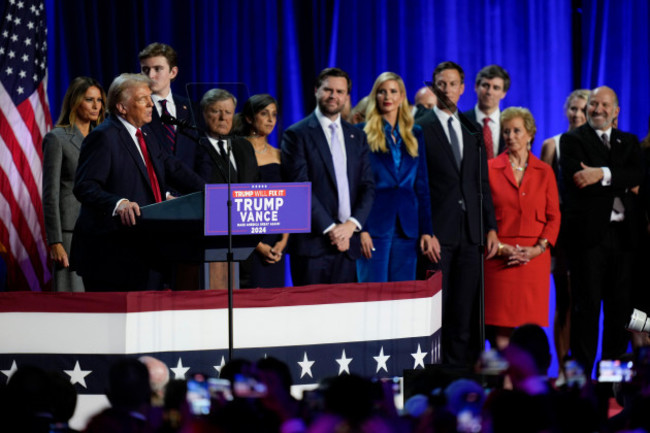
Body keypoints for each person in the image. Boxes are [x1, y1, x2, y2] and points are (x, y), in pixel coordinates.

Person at [72, 73, 206, 292]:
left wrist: (212, 193)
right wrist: (119, 203)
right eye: (142, 98)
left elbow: (174, 169)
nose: (150, 103)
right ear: (122, 107)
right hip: (111, 254)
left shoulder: (147, 135)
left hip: (146, 249)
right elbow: (85, 186)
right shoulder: (104, 137)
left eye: (150, 97)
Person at [416, 61, 498, 366]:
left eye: (452, 84)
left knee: (464, 311)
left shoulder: (472, 128)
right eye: (441, 83)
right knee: (437, 309)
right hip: (439, 233)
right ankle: (433, 377)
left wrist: (490, 227)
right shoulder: (420, 127)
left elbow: (481, 183)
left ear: (463, 89)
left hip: (471, 233)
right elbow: (419, 185)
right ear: (434, 86)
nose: (447, 89)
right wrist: (426, 229)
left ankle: (459, 374)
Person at [560, 86, 644, 376]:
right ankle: (581, 386)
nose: (597, 109)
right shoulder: (572, 141)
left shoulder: (629, 141)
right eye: (593, 104)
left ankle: (613, 384)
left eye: (605, 105)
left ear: (616, 111)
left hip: (626, 240)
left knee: (620, 315)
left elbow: (639, 176)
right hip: (588, 242)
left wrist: (601, 174)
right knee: (586, 313)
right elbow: (578, 183)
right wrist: (620, 181)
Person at [281, 67, 375, 286]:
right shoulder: (297, 134)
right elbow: (299, 187)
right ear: (316, 91)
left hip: (348, 245)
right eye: (328, 90)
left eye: (340, 92)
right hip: (313, 246)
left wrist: (351, 225)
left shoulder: (357, 136)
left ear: (347, 97)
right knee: (309, 316)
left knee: (345, 317)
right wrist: (332, 229)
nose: (334, 96)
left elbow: (368, 186)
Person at [484, 107, 561, 349]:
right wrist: (503, 248)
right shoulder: (489, 169)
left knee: (530, 330)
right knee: (501, 330)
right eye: (506, 131)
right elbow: (482, 216)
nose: (511, 135)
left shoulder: (545, 171)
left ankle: (528, 383)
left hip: (534, 260)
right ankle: (504, 382)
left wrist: (538, 249)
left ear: (530, 134)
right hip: (499, 258)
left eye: (517, 130)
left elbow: (554, 216)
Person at [357, 72, 435, 282]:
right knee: (372, 295)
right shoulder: (361, 133)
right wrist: (360, 229)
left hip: (407, 227)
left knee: (402, 296)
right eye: (382, 92)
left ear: (402, 97)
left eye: (393, 91)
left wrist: (427, 230)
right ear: (375, 97)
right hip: (374, 226)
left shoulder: (415, 133)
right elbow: (356, 185)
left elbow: (422, 187)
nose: (387, 96)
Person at [539, 88, 590, 379]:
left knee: (589, 300)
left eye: (583, 110)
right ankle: (561, 369)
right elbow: (540, 192)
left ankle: (586, 369)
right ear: (566, 111)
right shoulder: (552, 144)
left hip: (591, 235)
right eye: (573, 108)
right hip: (561, 235)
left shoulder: (598, 146)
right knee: (565, 299)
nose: (577, 114)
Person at [42, 77, 105, 292]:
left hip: (101, 231)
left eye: (99, 100)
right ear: (75, 102)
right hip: (70, 233)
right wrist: (55, 241)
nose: (97, 106)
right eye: (90, 100)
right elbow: (51, 193)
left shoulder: (104, 138)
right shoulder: (57, 138)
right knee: (72, 301)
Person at [196, 88, 259, 290]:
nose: (223, 117)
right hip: (209, 244)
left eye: (228, 112)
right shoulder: (194, 146)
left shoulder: (244, 146)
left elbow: (254, 188)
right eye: (216, 111)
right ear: (204, 113)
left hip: (245, 244)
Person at [233, 94, 288, 288]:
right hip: (247, 240)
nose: (271, 119)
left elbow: (288, 202)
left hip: (276, 243)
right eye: (264, 114)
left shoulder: (280, 154)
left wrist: (283, 242)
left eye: (274, 114)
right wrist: (258, 246)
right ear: (249, 118)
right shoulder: (236, 151)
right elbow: (235, 203)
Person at [139, 43, 204, 177]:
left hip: (192, 191)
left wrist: (203, 190)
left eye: (157, 69)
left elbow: (202, 154)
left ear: (173, 72)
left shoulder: (191, 107)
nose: (150, 75)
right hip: (157, 194)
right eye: (145, 69)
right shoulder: (136, 109)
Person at [463, 64, 510, 160]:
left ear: (503, 93)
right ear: (476, 87)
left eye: (496, 88)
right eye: (485, 85)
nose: (489, 92)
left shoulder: (509, 124)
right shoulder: (461, 121)